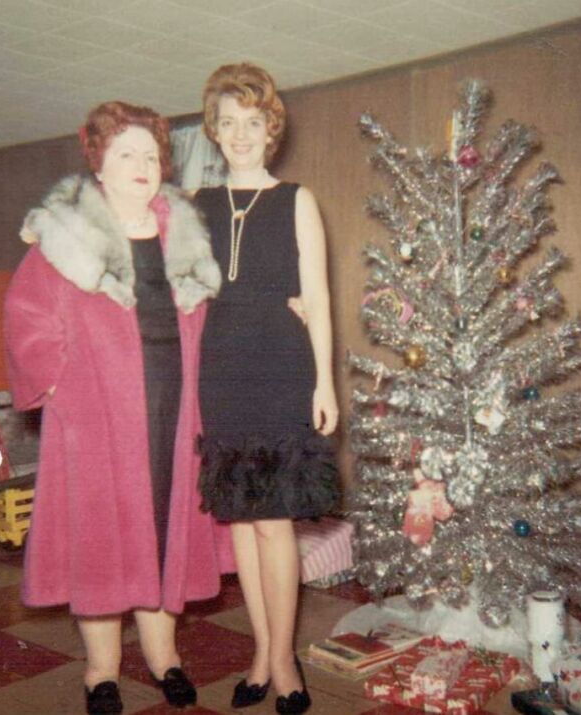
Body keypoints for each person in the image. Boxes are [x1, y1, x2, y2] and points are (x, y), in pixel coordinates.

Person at [4, 101, 234, 715]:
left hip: (173, 408)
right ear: (99, 165)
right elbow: (26, 316)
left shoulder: (184, 235)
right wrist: (58, 386)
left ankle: (166, 660)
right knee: (102, 539)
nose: (141, 165)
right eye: (125, 153)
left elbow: (211, 326)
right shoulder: (63, 236)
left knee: (164, 531)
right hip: (97, 415)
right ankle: (101, 672)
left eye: (151, 154)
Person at [192, 63, 340, 715]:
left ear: (269, 129)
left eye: (253, 122)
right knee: (244, 524)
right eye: (229, 123)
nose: (241, 134)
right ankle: (260, 649)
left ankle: (282, 658)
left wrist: (325, 380)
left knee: (274, 521)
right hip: (222, 369)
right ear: (216, 132)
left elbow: (320, 297)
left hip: (281, 366)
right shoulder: (196, 205)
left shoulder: (297, 199)